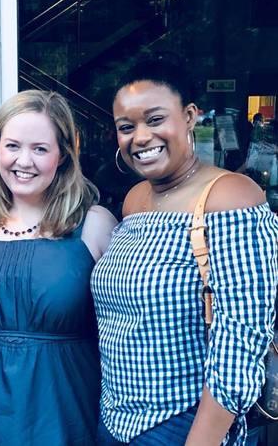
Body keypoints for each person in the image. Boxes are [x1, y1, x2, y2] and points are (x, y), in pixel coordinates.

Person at [92, 59, 278, 445]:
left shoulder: (231, 197)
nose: (141, 137)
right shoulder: (134, 200)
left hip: (182, 425)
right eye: (126, 127)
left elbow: (240, 344)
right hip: (114, 422)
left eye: (155, 119)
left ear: (190, 116)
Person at [0, 89, 117, 445]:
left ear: (62, 156)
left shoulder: (94, 224)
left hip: (64, 412)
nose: (23, 161)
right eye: (12, 146)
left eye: (40, 149)